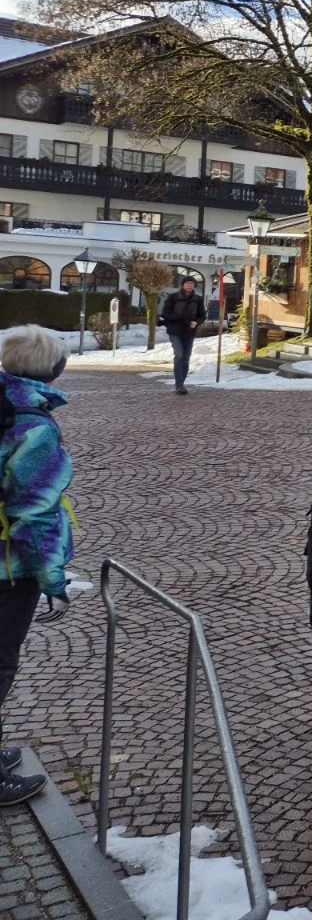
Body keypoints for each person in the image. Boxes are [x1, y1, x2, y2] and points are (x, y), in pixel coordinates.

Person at [0, 326, 74, 807]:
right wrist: (52, 578)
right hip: (7, 569)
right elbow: (34, 511)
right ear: (53, 369)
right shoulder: (34, 426)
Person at [159, 276, 207, 395]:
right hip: (175, 331)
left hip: (189, 332)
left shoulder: (198, 299)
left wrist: (196, 322)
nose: (190, 285)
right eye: (187, 283)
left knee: (186, 358)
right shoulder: (173, 297)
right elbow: (165, 314)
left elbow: (202, 315)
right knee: (179, 355)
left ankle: (181, 383)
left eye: (192, 283)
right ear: (182, 285)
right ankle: (179, 384)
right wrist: (181, 318)